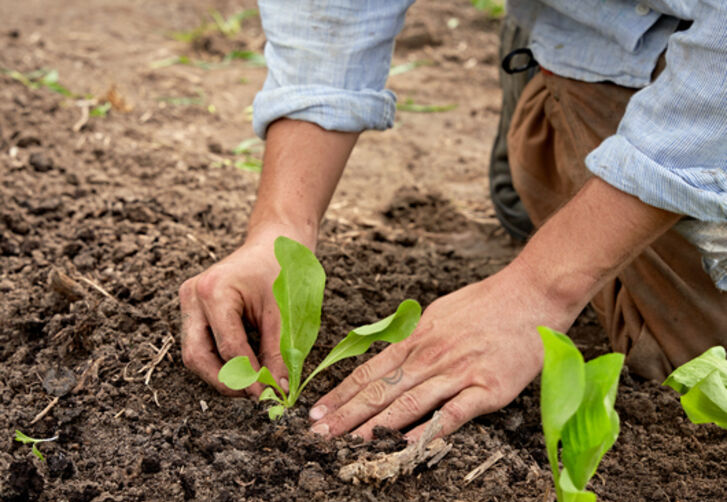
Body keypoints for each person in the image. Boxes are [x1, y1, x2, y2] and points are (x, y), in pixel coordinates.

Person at [179, 1, 727, 441]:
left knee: (707, 370)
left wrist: (537, 288)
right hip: (591, 28)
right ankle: (552, 79)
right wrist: (280, 227)